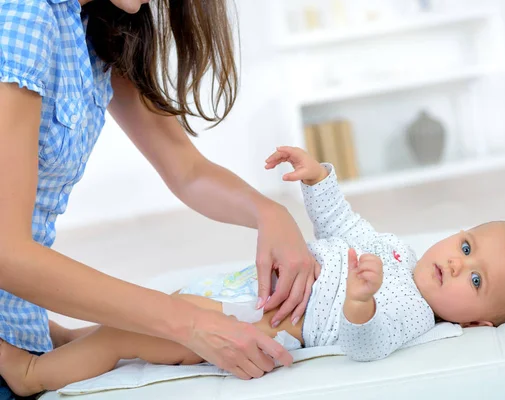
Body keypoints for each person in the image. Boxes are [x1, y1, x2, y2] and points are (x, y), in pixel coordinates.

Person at [0, 146, 505, 396]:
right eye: (466, 244)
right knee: (157, 305)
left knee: (136, 332)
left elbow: (366, 344)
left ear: (480, 324)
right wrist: (319, 180)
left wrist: (359, 301)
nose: (458, 263)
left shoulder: (414, 316)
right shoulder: (396, 252)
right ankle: (74, 341)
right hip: (246, 291)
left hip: (257, 327)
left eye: (475, 280)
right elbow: (342, 224)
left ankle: (31, 378)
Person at [0, 0, 321, 396]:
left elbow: (187, 170)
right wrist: (186, 324)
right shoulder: (23, 16)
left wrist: (270, 213)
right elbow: (6, 253)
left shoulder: (95, 27)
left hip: (17, 329)